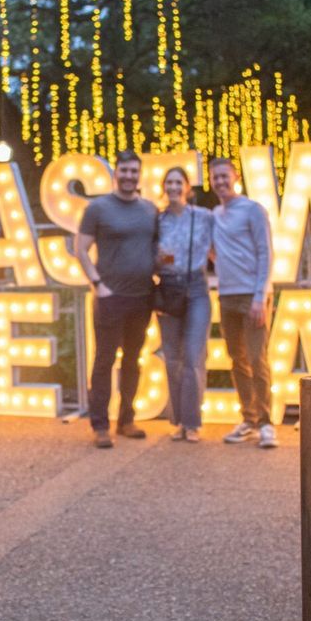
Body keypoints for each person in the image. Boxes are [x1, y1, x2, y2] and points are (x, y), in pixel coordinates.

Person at [75, 150, 158, 448]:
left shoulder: (150, 209)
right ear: (115, 173)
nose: (129, 176)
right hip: (110, 297)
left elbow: (157, 248)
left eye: (134, 171)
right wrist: (98, 284)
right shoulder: (98, 208)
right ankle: (100, 425)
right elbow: (81, 249)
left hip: (142, 296)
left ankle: (126, 420)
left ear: (139, 175)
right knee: (105, 361)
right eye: (124, 170)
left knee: (133, 360)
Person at [209, 157, 277, 449]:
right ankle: (248, 420)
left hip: (253, 296)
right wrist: (222, 261)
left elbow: (266, 252)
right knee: (237, 360)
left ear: (235, 177)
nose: (220, 181)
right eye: (215, 177)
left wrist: (260, 295)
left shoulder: (253, 210)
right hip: (227, 295)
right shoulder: (215, 214)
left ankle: (266, 423)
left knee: (257, 358)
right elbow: (213, 250)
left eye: (224, 176)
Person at [155, 167, 213, 443]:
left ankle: (192, 423)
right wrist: (162, 260)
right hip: (168, 289)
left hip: (197, 288)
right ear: (163, 187)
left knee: (192, 356)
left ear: (188, 187)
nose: (174, 187)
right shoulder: (157, 220)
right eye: (169, 182)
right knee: (172, 359)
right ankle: (178, 421)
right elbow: (152, 258)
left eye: (179, 182)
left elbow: (221, 246)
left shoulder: (204, 217)